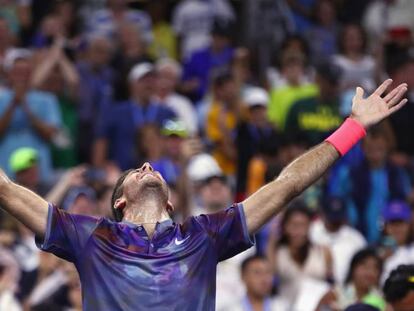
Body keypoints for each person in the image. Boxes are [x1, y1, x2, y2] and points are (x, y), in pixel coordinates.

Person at [0, 79, 408, 310]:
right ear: (119, 201)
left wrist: (353, 127)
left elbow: (288, 185)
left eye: (150, 166)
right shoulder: (90, 236)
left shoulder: (203, 235)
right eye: (135, 171)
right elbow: (6, 190)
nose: (147, 166)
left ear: (173, 202)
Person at [0, 49, 63, 182]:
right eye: (17, 73)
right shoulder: (1, 98)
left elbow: (50, 134)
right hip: (5, 171)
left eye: (25, 73)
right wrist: (13, 103)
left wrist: (25, 106)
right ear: (9, 74)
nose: (21, 77)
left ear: (31, 74)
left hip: (39, 172)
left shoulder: (47, 100)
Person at [266, 201, 334, 305]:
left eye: (303, 225)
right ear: (285, 227)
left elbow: (332, 285)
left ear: (310, 226)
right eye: (293, 225)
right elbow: (268, 279)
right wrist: (272, 240)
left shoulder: (323, 251)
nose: (298, 231)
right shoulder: (277, 252)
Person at [310, 195, 367, 285]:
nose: (334, 222)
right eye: (331, 218)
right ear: (322, 214)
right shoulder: (310, 232)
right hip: (313, 287)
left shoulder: (356, 239)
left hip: (345, 289)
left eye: (338, 217)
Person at [317, 248, 386, 311]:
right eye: (365, 266)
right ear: (353, 268)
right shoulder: (334, 295)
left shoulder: (381, 299)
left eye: (375, 268)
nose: (370, 272)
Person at [224, 255, 288, 311]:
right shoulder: (230, 309)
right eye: (257, 273)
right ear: (243, 276)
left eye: (268, 272)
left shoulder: (283, 307)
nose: (264, 279)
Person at [379, 201, 414, 284]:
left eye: (401, 223)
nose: (397, 228)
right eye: (393, 223)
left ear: (409, 225)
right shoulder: (377, 253)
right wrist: (380, 262)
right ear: (385, 227)